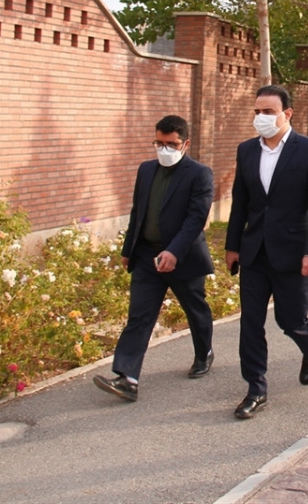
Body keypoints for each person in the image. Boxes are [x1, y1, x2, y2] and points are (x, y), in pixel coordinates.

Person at [225, 84, 308, 419]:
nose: (261, 117)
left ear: (287, 114)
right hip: (254, 251)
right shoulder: (246, 150)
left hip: (294, 252)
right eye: (257, 111)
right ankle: (255, 387)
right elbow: (240, 202)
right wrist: (232, 245)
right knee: (250, 322)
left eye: (268, 112)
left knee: (290, 319)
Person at [93, 115, 216, 402]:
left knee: (195, 309)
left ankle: (204, 353)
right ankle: (127, 378)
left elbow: (195, 219)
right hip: (147, 255)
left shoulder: (200, 174)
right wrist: (128, 250)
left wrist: (174, 251)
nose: (164, 149)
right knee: (139, 315)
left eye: (171, 144)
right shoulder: (146, 170)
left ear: (185, 143)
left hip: (183, 257)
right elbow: (138, 212)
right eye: (159, 143)